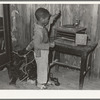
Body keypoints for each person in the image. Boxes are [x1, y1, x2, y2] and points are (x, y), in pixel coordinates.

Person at [26, 7, 60, 89]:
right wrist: (49, 45)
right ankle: (40, 83)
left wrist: (56, 14)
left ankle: (45, 80)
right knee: (42, 68)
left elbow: (51, 20)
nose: (49, 20)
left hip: (44, 52)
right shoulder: (38, 31)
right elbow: (37, 45)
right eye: (47, 19)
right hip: (40, 53)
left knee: (46, 66)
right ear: (42, 19)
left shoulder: (43, 25)